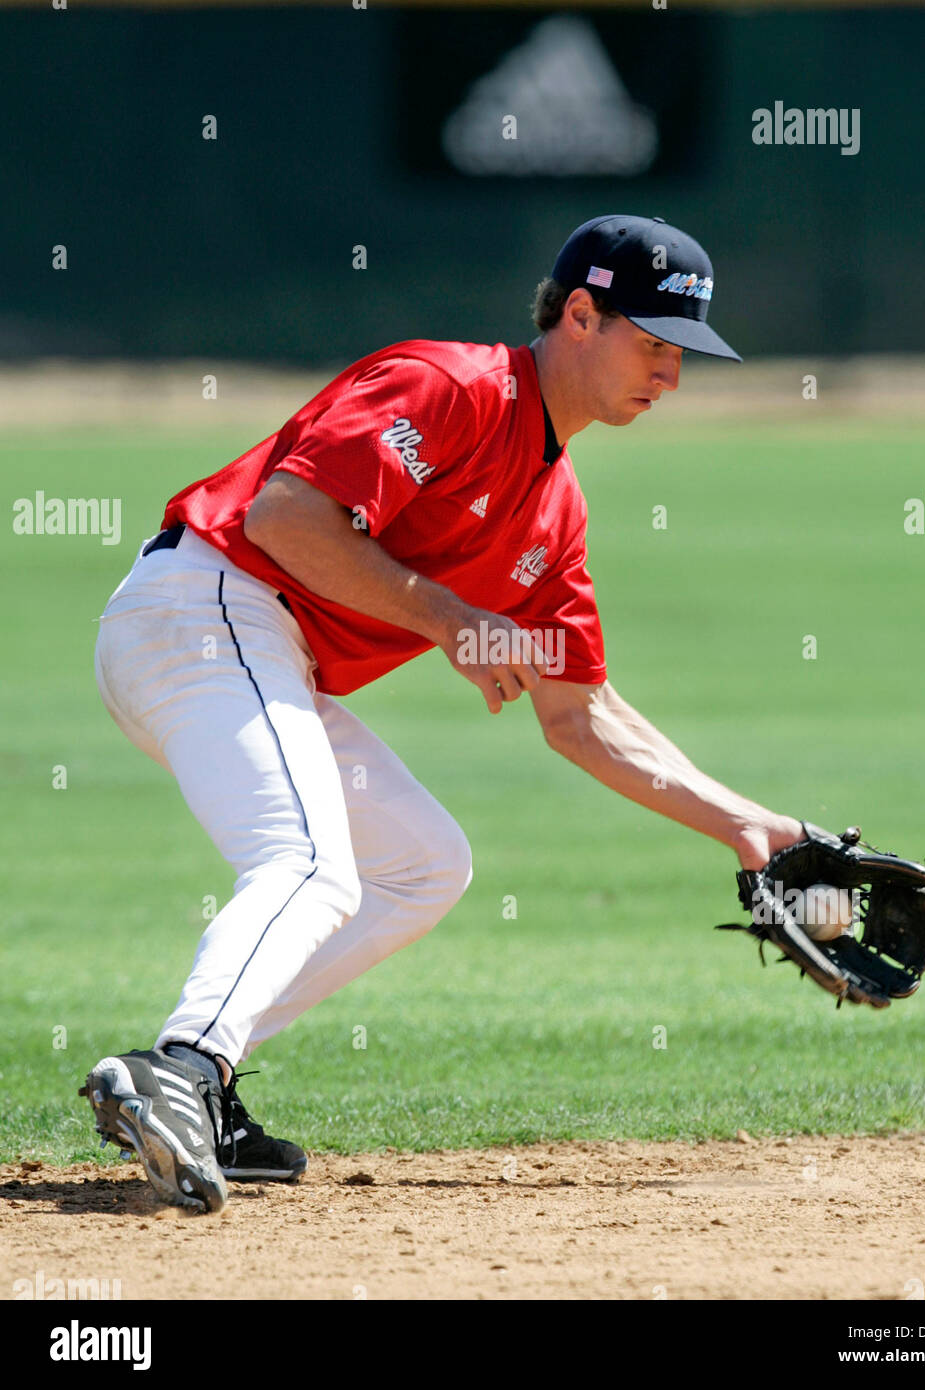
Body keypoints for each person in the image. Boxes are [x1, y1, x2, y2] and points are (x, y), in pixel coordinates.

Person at [83, 214, 805, 1213]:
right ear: (580, 314)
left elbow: (580, 714)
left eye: (682, 352)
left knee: (423, 862)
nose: (671, 374)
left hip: (259, 653)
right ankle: (187, 1069)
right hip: (203, 610)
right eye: (654, 342)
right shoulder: (452, 386)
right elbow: (281, 517)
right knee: (308, 863)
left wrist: (747, 824)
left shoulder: (555, 512)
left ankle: (198, 1068)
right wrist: (450, 617)